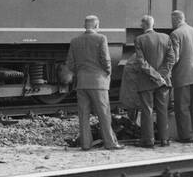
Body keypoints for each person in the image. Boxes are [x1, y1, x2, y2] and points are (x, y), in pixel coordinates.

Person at [66, 14, 120, 151]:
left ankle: (85, 144)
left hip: (82, 83)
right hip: (98, 83)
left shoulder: (75, 41)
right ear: (96, 26)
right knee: (104, 113)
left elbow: (70, 63)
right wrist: (107, 72)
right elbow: (106, 60)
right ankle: (110, 143)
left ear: (84, 26)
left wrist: (80, 72)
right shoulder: (101, 38)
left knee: (83, 115)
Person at [129, 14, 175, 147]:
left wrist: (155, 76)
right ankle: (164, 139)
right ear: (153, 24)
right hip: (163, 81)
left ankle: (148, 140)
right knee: (162, 110)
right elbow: (171, 59)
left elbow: (141, 62)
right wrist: (161, 75)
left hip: (146, 80)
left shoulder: (139, 39)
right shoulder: (166, 38)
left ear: (143, 25)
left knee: (147, 110)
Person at [170, 9, 193, 143]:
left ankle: (186, 136)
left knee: (182, 107)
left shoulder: (176, 34)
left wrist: (167, 71)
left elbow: (175, 57)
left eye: (172, 20)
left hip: (182, 75)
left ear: (176, 19)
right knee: (192, 107)